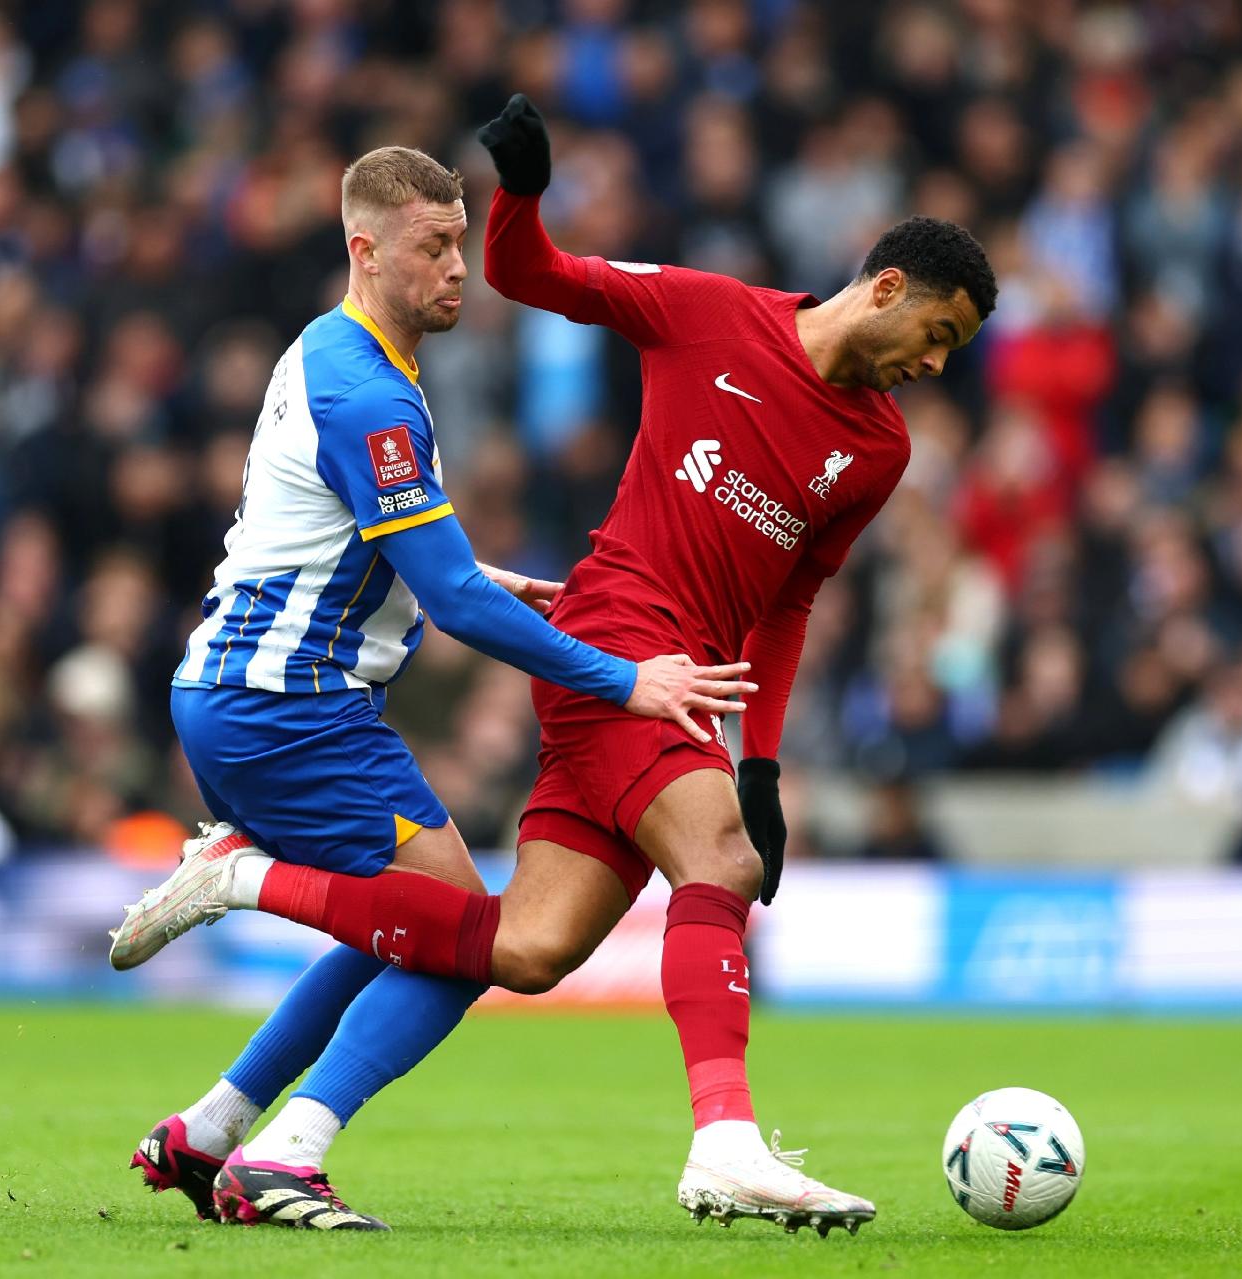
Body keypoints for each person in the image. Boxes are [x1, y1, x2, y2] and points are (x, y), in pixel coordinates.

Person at [117, 95, 996, 1235]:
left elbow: (793, 602)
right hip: (613, 649)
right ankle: (723, 1140)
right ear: (886, 288)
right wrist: (523, 192)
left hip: (659, 675)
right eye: (940, 333)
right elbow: (535, 273)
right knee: (713, 864)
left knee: (511, 945)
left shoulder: (878, 449)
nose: (937, 361)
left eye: (954, 352)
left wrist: (764, 767)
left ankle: (250, 1127)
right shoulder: (703, 312)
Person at [107, 144, 754, 1231]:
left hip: (238, 692)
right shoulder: (372, 396)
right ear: (366, 249)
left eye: (460, 240)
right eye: (432, 246)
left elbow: (346, 540)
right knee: (462, 931)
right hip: (289, 707)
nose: (459, 266)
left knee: (401, 927)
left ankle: (209, 1130)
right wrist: (626, 680)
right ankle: (283, 1137)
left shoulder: (335, 350)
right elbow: (448, 603)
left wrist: (477, 573)